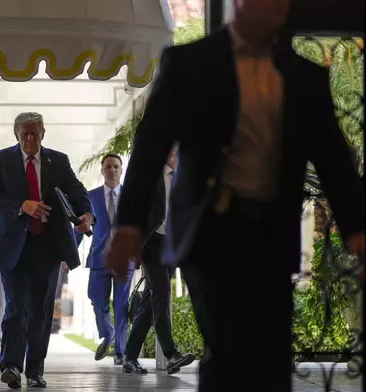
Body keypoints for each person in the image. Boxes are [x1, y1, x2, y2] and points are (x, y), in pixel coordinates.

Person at [105, 0, 365, 390]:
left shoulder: (303, 76)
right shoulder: (189, 64)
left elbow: (332, 160)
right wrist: (128, 227)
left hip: (271, 232)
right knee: (227, 349)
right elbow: (150, 147)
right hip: (209, 231)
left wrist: (357, 231)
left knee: (272, 351)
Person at [0, 112, 94, 389]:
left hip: (47, 246)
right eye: (25, 134)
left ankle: (35, 371)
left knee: (41, 312)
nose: (30, 139)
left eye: (35, 133)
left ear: (43, 133)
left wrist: (87, 215)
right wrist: (23, 205)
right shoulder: (1, 160)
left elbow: (77, 190)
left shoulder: (58, 160)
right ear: (16, 135)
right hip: (13, 247)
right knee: (16, 307)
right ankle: (10, 365)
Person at [122, 146, 195, 375]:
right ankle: (172, 354)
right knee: (162, 294)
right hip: (151, 244)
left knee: (149, 302)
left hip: (173, 245)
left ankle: (130, 357)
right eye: (171, 151)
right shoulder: (152, 177)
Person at [75, 154, 132, 364]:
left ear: (121, 169)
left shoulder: (131, 196)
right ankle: (108, 333)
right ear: (102, 170)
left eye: (116, 166)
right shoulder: (90, 197)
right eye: (108, 167)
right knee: (97, 300)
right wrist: (68, 256)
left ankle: (120, 352)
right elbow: (79, 229)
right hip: (99, 258)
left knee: (121, 305)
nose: (112, 170)